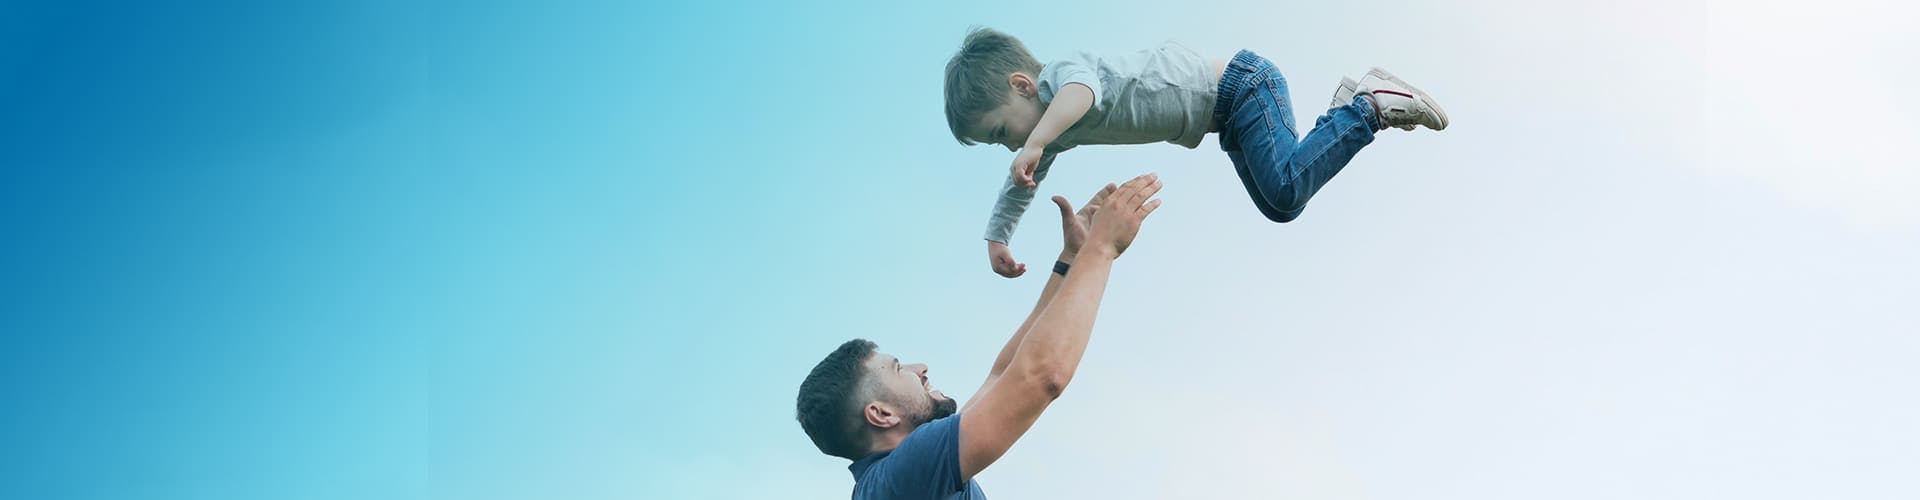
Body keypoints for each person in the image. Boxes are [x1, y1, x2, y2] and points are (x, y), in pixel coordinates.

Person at [944, 27, 1449, 277]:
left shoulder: (1060, 78)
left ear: (1023, 85)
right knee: (1282, 205)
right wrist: (997, 238)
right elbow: (1019, 187)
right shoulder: (1052, 135)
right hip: (1225, 118)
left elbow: (1085, 92)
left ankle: (1368, 106)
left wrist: (1032, 142)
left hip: (1242, 85)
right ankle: (1342, 112)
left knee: (1287, 186)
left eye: (998, 131)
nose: (1007, 145)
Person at [796, 173, 1163, 499]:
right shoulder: (900, 480)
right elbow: (1040, 377)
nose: (920, 367)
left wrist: (1072, 259)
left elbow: (1004, 374)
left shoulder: (900, 478)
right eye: (897, 368)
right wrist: (1102, 249)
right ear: (880, 413)